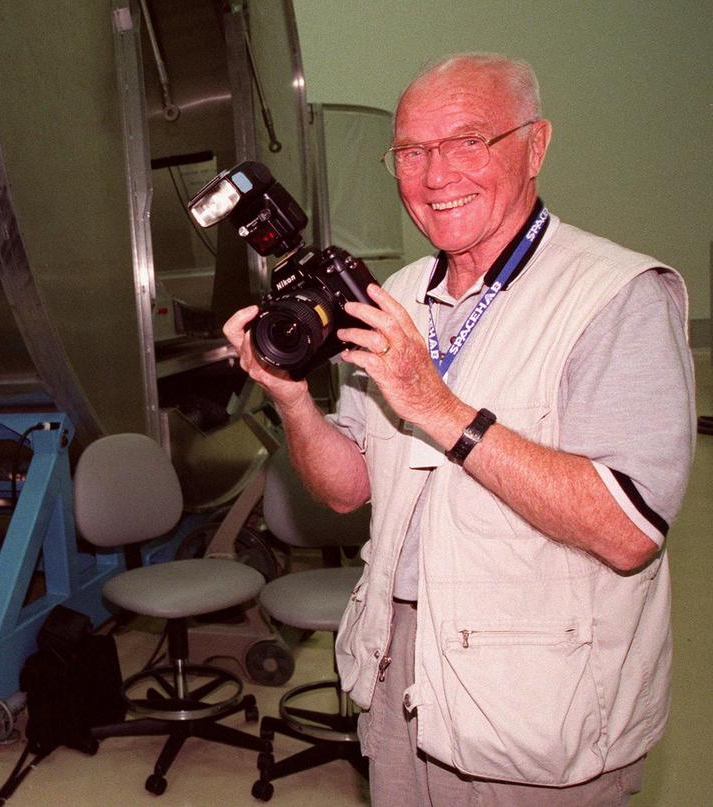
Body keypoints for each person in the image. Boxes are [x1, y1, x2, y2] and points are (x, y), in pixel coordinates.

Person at [224, 53, 694, 804]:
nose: (436, 175)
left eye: (467, 141)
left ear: (536, 145)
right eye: (412, 151)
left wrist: (439, 406)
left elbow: (628, 526)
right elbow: (347, 489)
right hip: (402, 663)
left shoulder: (614, 296)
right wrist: (292, 400)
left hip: (543, 694)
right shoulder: (394, 298)